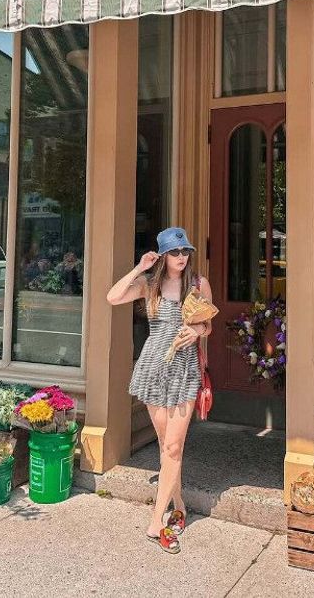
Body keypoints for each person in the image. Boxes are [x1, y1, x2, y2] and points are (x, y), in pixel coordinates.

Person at [106, 227, 214, 555]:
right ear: (163, 255)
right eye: (175, 253)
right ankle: (179, 503)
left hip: (184, 369)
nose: (181, 258)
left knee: (174, 447)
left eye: (185, 252)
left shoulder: (198, 284)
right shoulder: (149, 285)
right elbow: (113, 297)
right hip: (154, 366)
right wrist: (140, 267)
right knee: (167, 445)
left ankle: (157, 522)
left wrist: (197, 330)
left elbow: (208, 321)